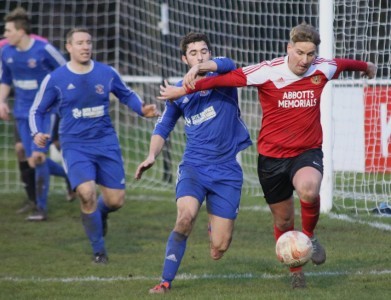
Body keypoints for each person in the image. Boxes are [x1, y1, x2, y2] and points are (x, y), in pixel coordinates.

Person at [158, 23, 377, 289]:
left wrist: (367, 67)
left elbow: (345, 63)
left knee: (308, 189)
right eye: (299, 53)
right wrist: (184, 89)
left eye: (310, 54)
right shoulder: (267, 72)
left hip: (306, 152)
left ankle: (309, 237)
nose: (305, 60)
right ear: (289, 48)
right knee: (283, 220)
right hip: (272, 158)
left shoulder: (323, 68)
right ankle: (296, 271)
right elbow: (224, 78)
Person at [29, 27, 160, 264]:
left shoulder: (106, 72)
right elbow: (37, 110)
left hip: (106, 143)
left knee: (115, 201)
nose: (85, 46)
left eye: (88, 42)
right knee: (87, 193)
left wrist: (142, 108)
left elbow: (126, 94)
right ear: (69, 47)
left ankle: (100, 214)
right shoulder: (56, 78)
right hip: (75, 145)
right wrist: (37, 132)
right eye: (79, 42)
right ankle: (99, 251)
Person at [135, 32, 252, 294]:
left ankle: (214, 226)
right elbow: (163, 127)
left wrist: (199, 70)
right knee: (185, 218)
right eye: (193, 53)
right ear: (183, 58)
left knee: (219, 248)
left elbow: (229, 64)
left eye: (204, 51)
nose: (200, 56)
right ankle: (165, 281)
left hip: (226, 171)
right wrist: (152, 155)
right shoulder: (178, 92)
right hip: (194, 168)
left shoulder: (225, 79)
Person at [0, 7, 70, 221]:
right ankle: (71, 177)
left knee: (38, 157)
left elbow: (66, 70)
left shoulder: (44, 49)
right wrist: (2, 101)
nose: (5, 34)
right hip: (21, 112)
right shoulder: (6, 52)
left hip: (44, 112)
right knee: (32, 160)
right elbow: (5, 79)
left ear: (21, 32)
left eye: (8, 30)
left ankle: (41, 209)